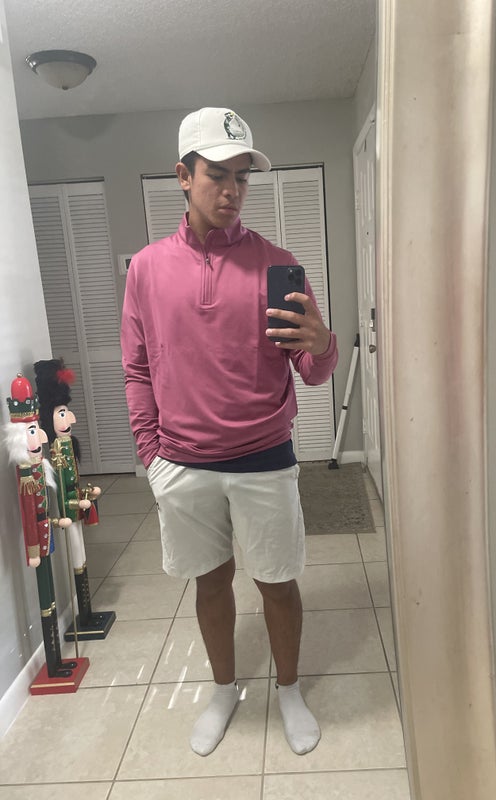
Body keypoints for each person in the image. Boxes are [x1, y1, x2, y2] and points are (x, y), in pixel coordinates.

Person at [121, 107, 338, 756]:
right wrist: (152, 456)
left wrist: (323, 343)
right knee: (211, 583)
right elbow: (136, 368)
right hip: (183, 464)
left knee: (277, 582)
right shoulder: (147, 269)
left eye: (242, 177)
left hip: (264, 457)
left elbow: (312, 372)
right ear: (183, 176)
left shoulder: (278, 264)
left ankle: (289, 690)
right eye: (217, 174)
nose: (232, 190)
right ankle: (223, 690)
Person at [34, 358, 116, 640]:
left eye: (67, 412)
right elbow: (60, 490)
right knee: (76, 553)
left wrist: (86, 495)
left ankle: (88, 610)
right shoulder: (51, 454)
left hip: (78, 511)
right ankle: (83, 611)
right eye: (62, 413)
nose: (71, 419)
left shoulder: (67, 445)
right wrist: (74, 503)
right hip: (68, 514)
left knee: (81, 554)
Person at [4, 374, 78, 681]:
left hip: (47, 536)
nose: (42, 438)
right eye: (33, 431)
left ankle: (57, 659)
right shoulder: (25, 475)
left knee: (50, 594)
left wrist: (56, 520)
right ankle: (52, 661)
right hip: (39, 543)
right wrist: (32, 550)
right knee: (45, 596)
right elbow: (27, 515)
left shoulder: (40, 468)